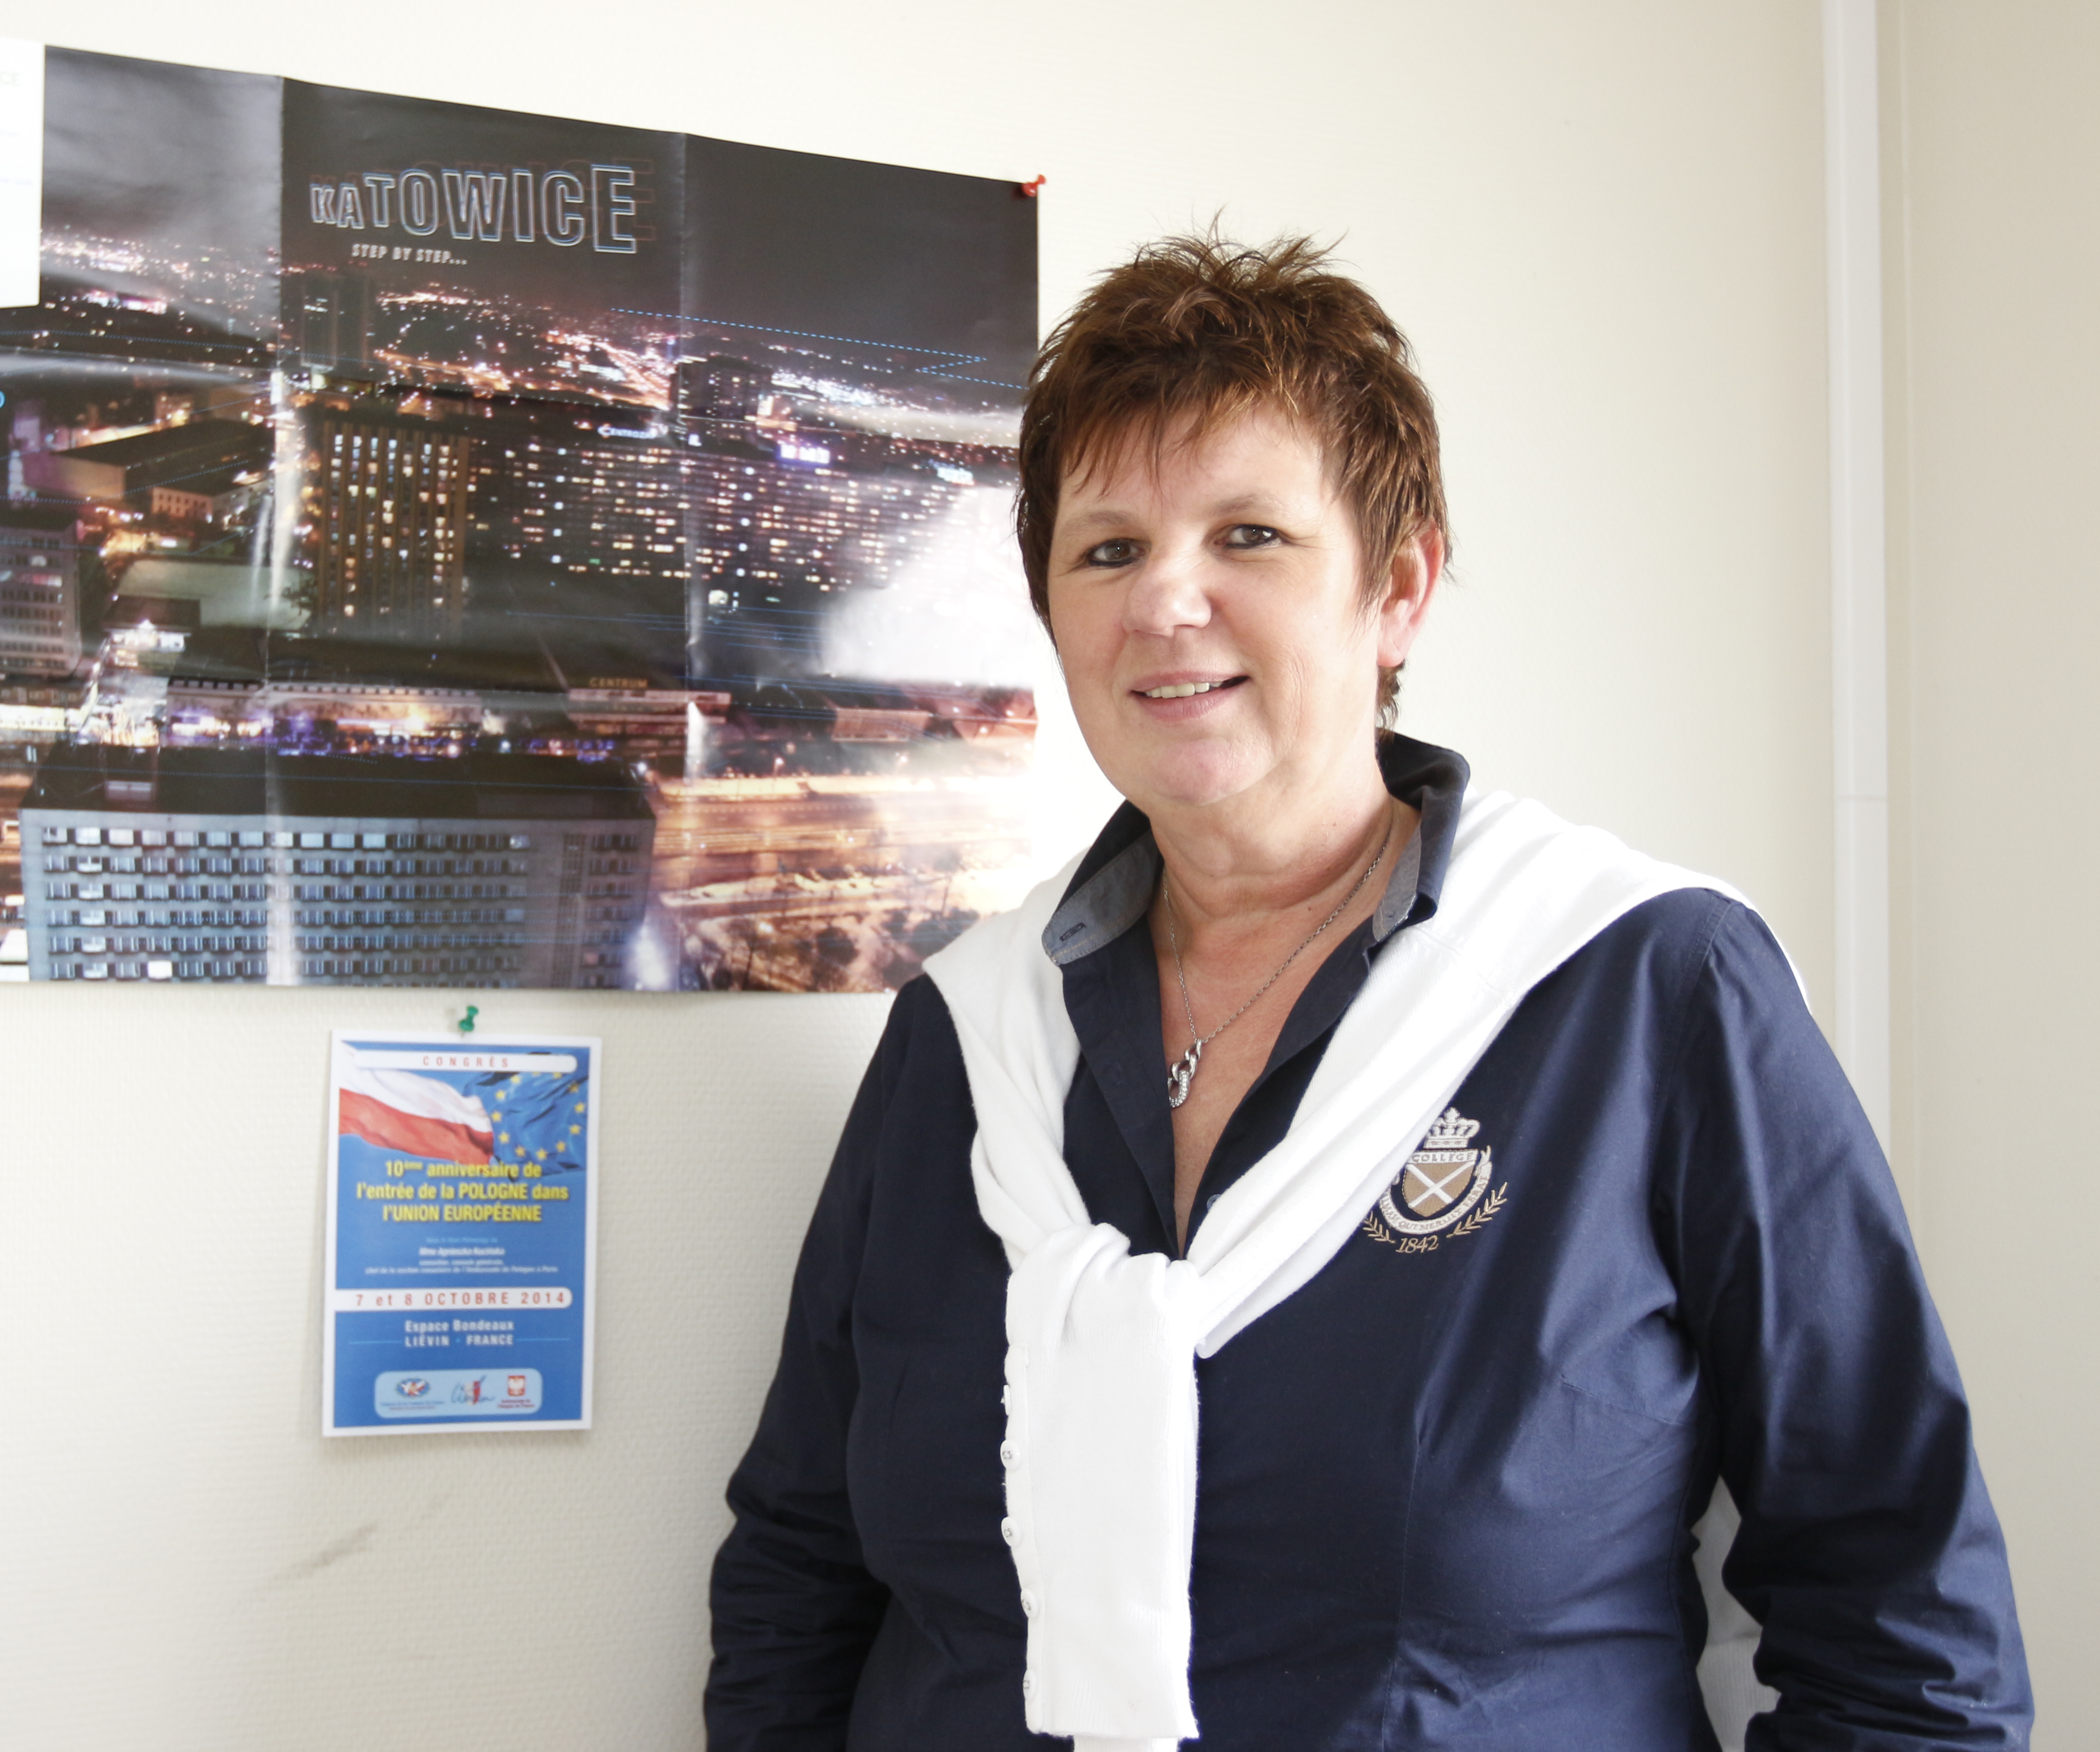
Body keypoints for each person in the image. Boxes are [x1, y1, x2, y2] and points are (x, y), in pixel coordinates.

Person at [704, 235, 2030, 1751]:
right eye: (1109, 550)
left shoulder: (1645, 988)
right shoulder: (966, 1036)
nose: (1168, 602)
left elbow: (1904, 1629)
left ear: (1397, 589)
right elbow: (803, 1569)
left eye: (1250, 535)